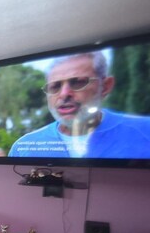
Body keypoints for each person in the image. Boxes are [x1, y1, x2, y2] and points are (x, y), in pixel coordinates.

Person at [8, 51, 150, 158]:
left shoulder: (145, 131)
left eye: (78, 82)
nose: (64, 94)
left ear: (105, 86)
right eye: (55, 86)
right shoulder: (24, 146)